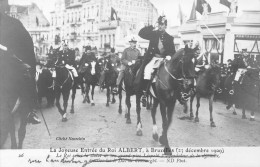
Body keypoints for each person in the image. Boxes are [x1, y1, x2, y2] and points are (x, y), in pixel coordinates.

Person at [0, 0, 40, 124]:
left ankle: (29, 111)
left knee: (27, 78)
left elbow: (27, 46)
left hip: (5, 61)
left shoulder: (13, 24)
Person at [135, 15, 176, 105]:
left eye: (162, 24)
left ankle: (178, 94)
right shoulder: (153, 34)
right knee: (147, 71)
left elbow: (173, 51)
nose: (160, 26)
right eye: (159, 24)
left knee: (173, 73)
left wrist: (169, 55)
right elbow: (141, 33)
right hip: (153, 58)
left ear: (166, 26)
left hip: (164, 59)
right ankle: (145, 93)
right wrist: (151, 27)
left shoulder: (170, 38)